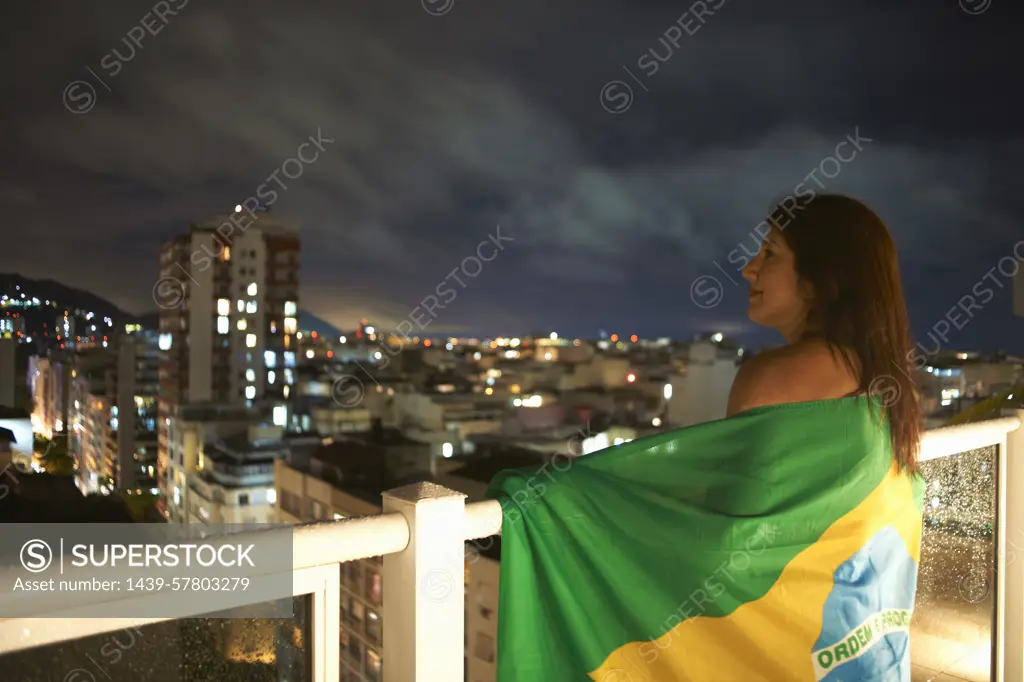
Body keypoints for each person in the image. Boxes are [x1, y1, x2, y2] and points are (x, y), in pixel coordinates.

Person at [726, 193, 922, 472]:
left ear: (816, 280)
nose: (748, 270)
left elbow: (734, 503)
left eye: (769, 254)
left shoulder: (770, 378)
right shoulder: (885, 377)